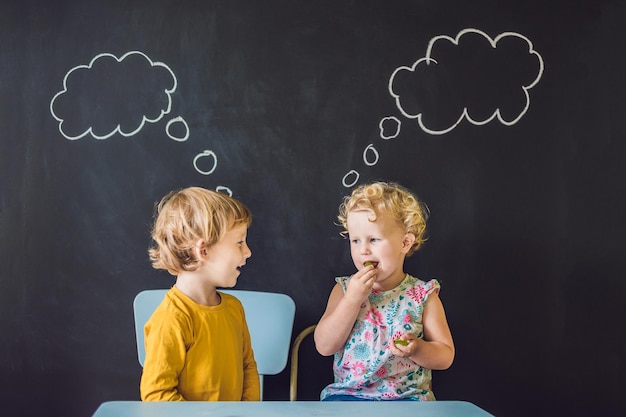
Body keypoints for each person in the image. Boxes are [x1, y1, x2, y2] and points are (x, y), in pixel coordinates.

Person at [314, 181, 454, 401]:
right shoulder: (343, 289)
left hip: (408, 399)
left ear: (405, 243)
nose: (363, 250)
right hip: (348, 397)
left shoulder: (423, 295)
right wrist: (352, 299)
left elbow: (445, 356)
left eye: (374, 239)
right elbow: (324, 346)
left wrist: (417, 349)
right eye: (355, 240)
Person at [140, 186, 260, 401]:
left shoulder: (234, 308)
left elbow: (247, 366)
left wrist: (247, 411)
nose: (248, 252)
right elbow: (156, 395)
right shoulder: (171, 319)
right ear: (202, 251)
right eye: (239, 242)